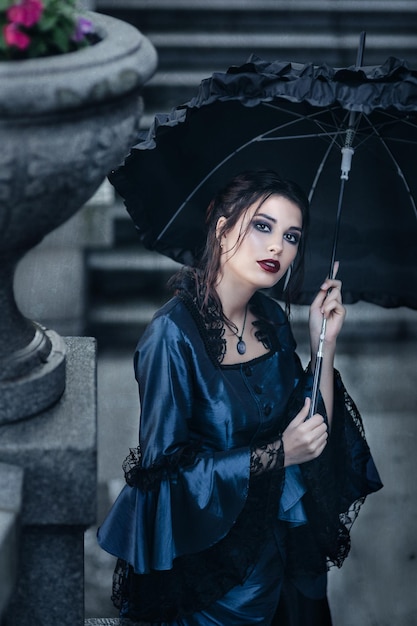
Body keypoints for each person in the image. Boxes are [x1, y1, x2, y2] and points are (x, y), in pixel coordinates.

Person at [97, 170, 382, 625]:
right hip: (216, 572)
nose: (278, 248)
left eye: (291, 236)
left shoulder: (270, 317)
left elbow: (312, 433)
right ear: (222, 227)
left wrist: (323, 344)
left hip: (286, 548)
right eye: (262, 226)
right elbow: (164, 480)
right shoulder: (171, 337)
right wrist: (275, 455)